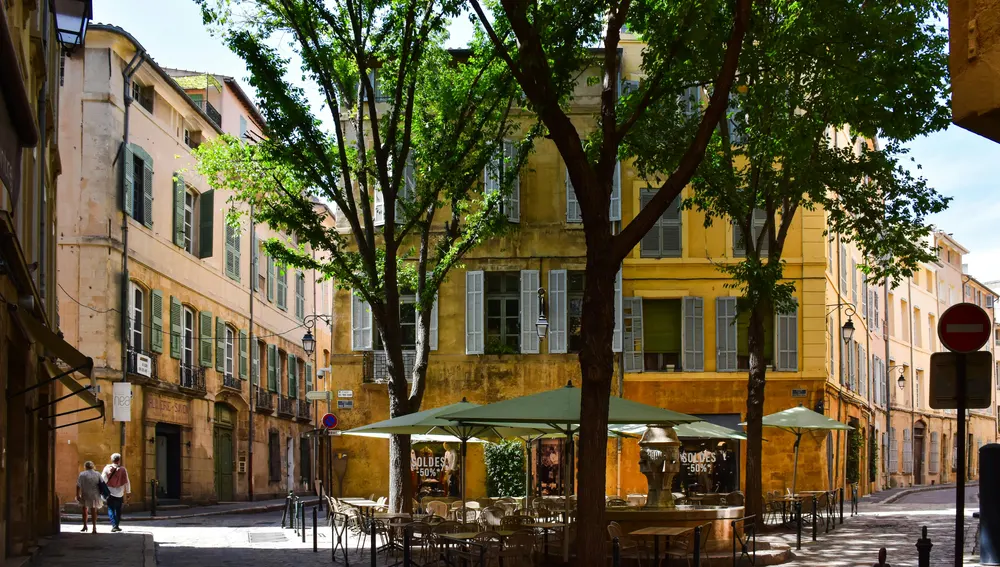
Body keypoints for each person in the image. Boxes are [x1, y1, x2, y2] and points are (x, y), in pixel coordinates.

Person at [102, 453, 131, 532]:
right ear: (119, 460)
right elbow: (127, 482)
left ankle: (114, 525)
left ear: (112, 460)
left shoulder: (107, 468)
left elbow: (103, 480)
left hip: (110, 493)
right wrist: (128, 492)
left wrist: (102, 490)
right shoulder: (123, 469)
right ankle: (117, 525)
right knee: (118, 510)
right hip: (120, 493)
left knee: (111, 509)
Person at [76, 461, 102, 533]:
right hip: (95, 494)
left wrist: (77, 495)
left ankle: (85, 526)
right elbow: (102, 483)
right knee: (94, 511)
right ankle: (94, 527)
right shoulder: (97, 474)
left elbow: (78, 485)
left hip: (85, 494)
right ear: (93, 466)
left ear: (85, 467)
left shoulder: (82, 474)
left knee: (84, 510)